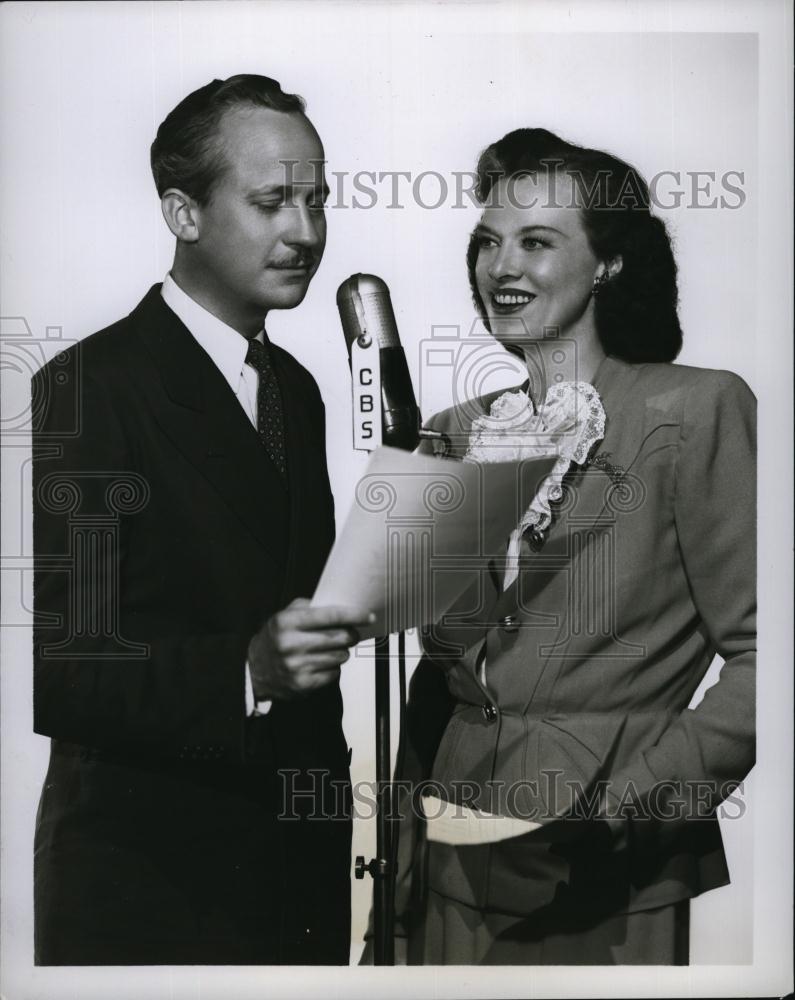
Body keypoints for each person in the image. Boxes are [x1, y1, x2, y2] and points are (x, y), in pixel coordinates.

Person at [390, 127, 756, 965]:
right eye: (487, 242)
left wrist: (632, 800)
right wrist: (404, 851)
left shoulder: (693, 412)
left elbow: (769, 652)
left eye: (536, 241)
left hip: (604, 859)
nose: (500, 267)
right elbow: (440, 675)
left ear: (607, 263)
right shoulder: (452, 435)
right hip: (452, 855)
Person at [31, 74, 370, 965]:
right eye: (271, 203)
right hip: (149, 885)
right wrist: (245, 672)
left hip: (295, 869)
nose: (306, 233)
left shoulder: (294, 389)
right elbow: (65, 668)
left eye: (316, 201)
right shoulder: (86, 388)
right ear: (182, 213)